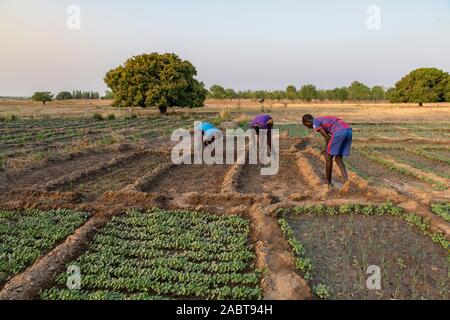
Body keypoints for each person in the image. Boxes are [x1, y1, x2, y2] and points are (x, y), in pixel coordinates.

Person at [302, 114, 353, 186]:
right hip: (348, 131)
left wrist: (326, 151)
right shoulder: (320, 119)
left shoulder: (315, 123)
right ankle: (346, 180)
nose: (308, 128)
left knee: (328, 157)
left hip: (339, 132)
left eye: (306, 126)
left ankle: (328, 183)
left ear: (308, 122)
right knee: (338, 159)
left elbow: (327, 137)